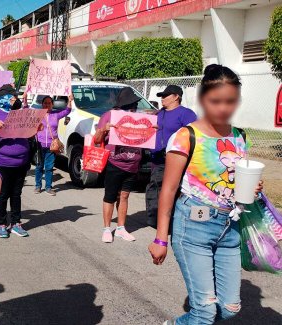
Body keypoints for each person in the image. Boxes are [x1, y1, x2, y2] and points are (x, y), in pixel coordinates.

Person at [149, 65, 263, 325]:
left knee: (231, 309)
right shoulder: (186, 136)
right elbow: (168, 189)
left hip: (230, 228)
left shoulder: (239, 136)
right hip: (193, 228)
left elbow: (235, 178)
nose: (223, 108)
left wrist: (254, 188)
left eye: (230, 101)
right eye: (216, 101)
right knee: (205, 313)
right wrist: (160, 239)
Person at [94, 87, 145, 243]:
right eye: (132, 104)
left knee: (124, 196)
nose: (134, 107)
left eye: (135, 105)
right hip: (114, 162)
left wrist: (151, 131)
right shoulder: (109, 116)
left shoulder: (139, 118)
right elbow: (96, 140)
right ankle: (107, 229)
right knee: (110, 196)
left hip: (133, 163)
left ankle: (121, 228)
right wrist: (104, 129)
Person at [145, 85, 197, 227]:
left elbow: (194, 135)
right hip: (157, 158)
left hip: (175, 160)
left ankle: (173, 222)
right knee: (155, 188)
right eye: (161, 96)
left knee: (174, 190)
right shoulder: (159, 113)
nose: (162, 98)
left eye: (165, 95)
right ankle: (155, 220)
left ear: (176, 97)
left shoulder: (186, 114)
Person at [0, 84, 30, 238]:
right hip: (3, 162)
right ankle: (1, 224)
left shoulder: (20, 113)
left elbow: (28, 133)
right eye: (12, 97)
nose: (15, 99)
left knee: (16, 194)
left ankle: (17, 223)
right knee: (3, 195)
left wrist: (35, 129)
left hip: (22, 161)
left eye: (15, 97)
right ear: (3, 99)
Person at [32, 94, 73, 196]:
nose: (47, 105)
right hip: (39, 144)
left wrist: (70, 100)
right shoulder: (37, 114)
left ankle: (48, 187)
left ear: (52, 104)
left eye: (49, 103)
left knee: (49, 167)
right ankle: (38, 186)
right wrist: (24, 98)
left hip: (52, 145)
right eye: (45, 103)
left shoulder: (56, 114)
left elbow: (67, 111)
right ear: (42, 104)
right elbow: (26, 111)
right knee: (39, 166)